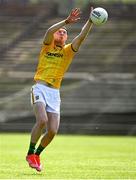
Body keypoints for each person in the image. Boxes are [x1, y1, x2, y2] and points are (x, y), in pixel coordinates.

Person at [26, 6, 94, 172]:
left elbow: (81, 37)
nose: (62, 33)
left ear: (66, 38)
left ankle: (37, 154)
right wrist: (66, 22)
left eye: (64, 32)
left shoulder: (68, 51)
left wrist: (91, 21)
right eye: (60, 31)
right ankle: (29, 153)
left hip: (54, 93)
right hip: (40, 88)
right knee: (42, 121)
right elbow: (49, 30)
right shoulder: (47, 46)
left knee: (53, 131)